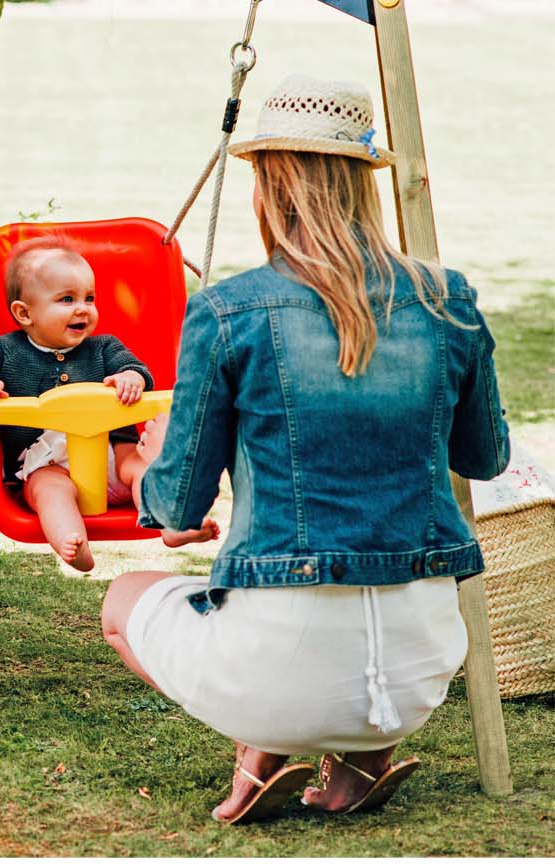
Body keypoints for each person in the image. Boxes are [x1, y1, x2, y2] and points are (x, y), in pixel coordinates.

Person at [103, 75, 511, 824]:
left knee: (123, 599)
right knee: (348, 643)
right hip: (418, 674)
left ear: (270, 184)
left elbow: (179, 505)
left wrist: (157, 462)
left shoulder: (229, 311)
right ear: (364, 183)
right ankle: (362, 756)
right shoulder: (446, 298)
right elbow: (485, 459)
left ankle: (259, 744)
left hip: (277, 667)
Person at [0, 238, 219, 571]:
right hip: (45, 461)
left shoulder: (103, 347)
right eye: (67, 299)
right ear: (24, 313)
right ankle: (71, 542)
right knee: (48, 490)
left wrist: (131, 378)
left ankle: (172, 525)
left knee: (143, 469)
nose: (83, 308)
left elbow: (138, 370)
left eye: (89, 298)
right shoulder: (2, 350)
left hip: (114, 454)